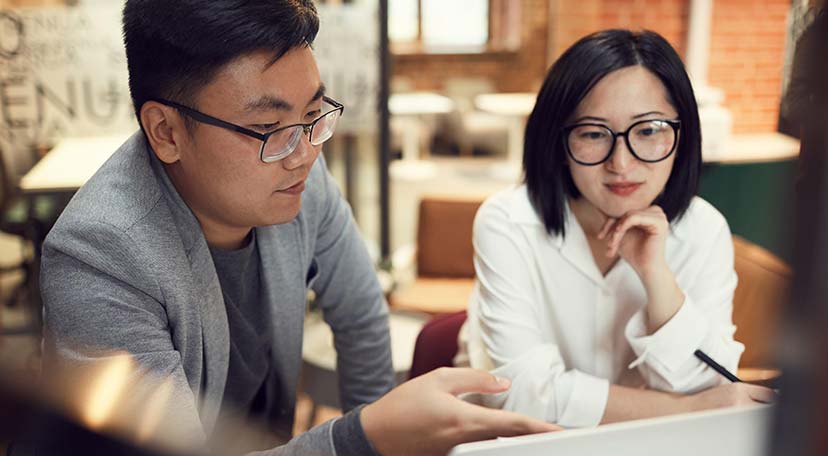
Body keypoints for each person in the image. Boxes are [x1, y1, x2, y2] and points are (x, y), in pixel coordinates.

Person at [34, 1, 556, 455]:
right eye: (267, 128)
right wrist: (365, 437)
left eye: (313, 114)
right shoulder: (99, 256)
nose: (304, 153)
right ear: (166, 131)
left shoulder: (296, 171)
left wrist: (375, 426)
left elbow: (360, 313)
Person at [458, 29, 775, 428]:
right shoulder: (508, 221)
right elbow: (522, 396)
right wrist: (688, 411)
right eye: (593, 133)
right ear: (557, 141)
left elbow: (709, 384)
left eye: (648, 130)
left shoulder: (704, 229)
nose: (621, 164)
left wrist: (655, 275)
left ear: (683, 133)